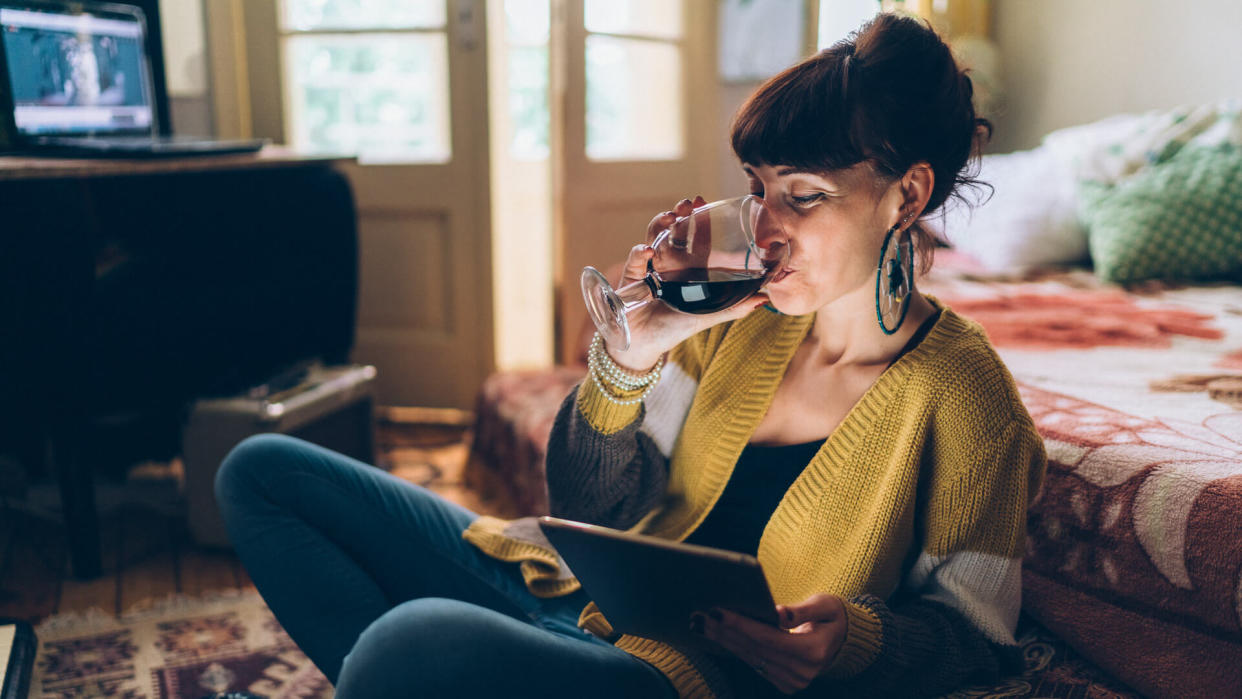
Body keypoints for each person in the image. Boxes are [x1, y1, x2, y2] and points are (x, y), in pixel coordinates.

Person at [215, 13, 1044, 699]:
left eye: (805, 196)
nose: (763, 226)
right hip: (577, 601)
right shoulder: (732, 319)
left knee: (410, 645)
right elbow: (589, 508)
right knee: (261, 472)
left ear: (908, 194)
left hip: (677, 678)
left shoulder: (965, 399)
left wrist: (855, 642)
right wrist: (628, 360)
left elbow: (976, 639)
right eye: (758, 188)